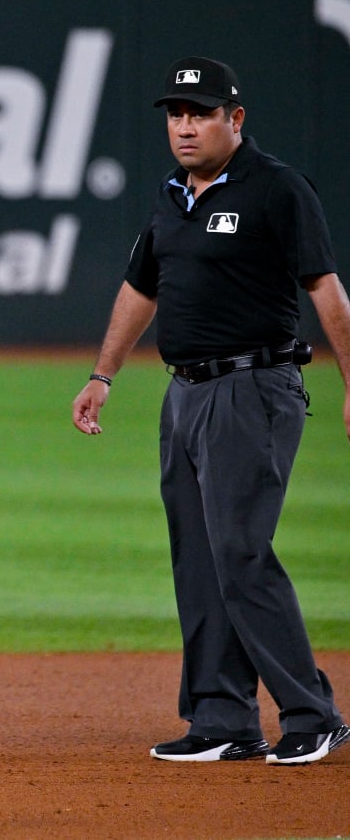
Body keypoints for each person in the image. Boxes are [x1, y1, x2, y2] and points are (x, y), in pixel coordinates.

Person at [71, 56, 350, 766]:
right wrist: (104, 373)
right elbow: (142, 289)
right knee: (199, 561)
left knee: (240, 552)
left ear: (236, 119)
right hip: (184, 392)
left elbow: (325, 291)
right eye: (176, 114)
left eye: (201, 113)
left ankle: (312, 714)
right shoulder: (171, 197)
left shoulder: (277, 190)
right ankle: (223, 718)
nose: (186, 126)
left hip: (253, 388)